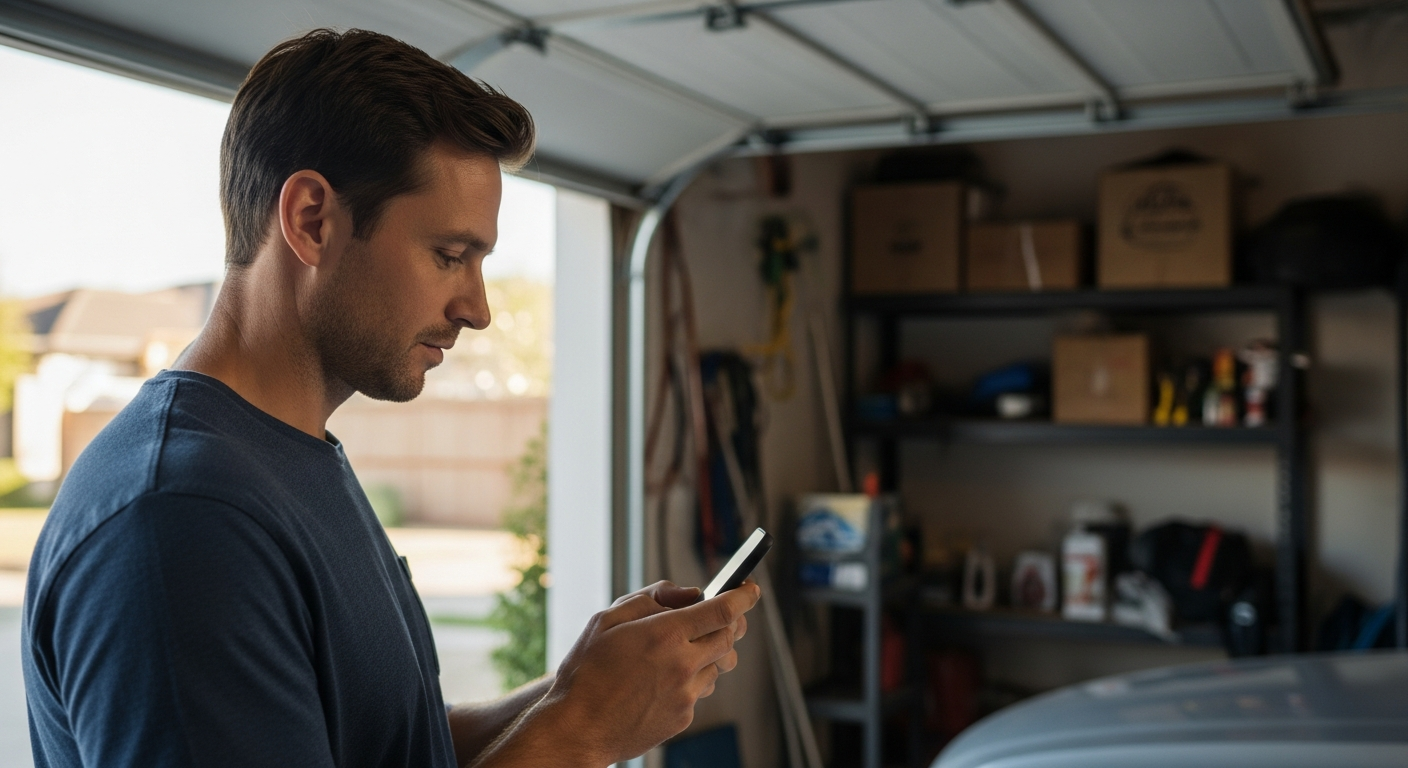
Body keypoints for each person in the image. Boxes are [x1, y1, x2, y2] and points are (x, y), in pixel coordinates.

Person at [21, 28, 758, 768]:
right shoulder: (182, 519)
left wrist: (575, 690)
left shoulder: (286, 459)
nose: (478, 308)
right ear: (312, 220)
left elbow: (381, 742)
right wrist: (583, 729)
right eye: (449, 256)